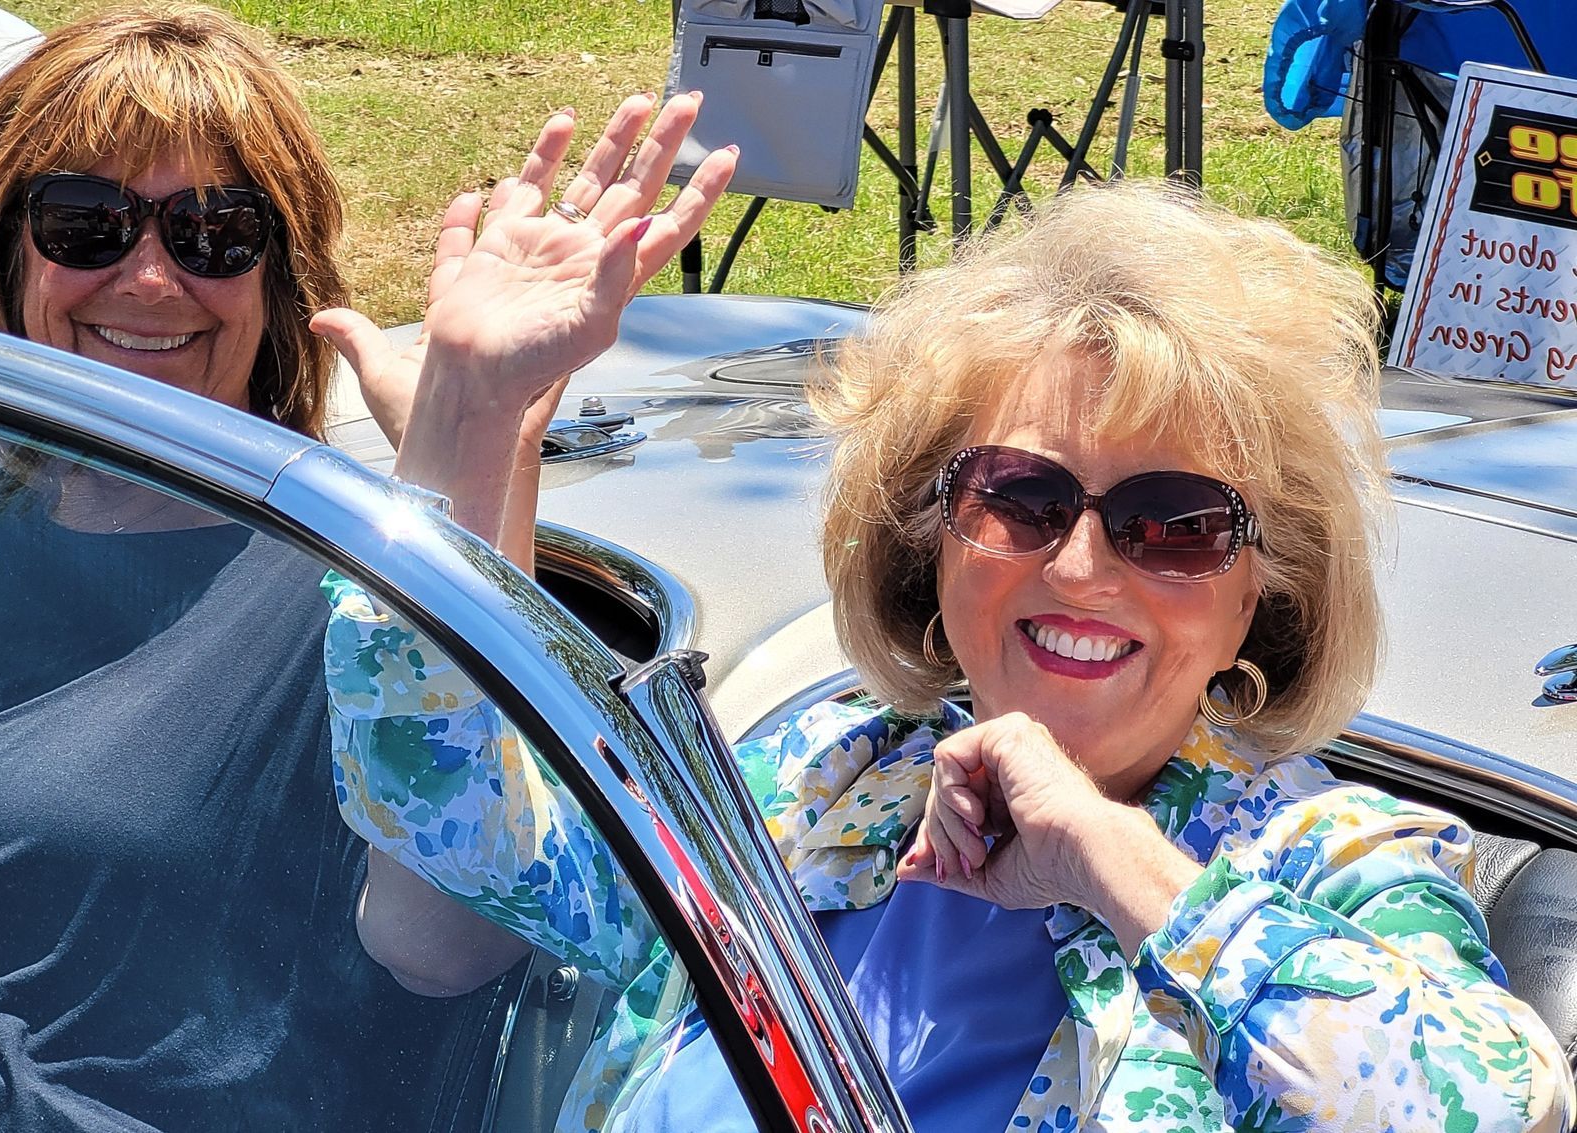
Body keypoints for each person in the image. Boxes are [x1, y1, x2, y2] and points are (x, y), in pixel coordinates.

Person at [0, 3, 734, 1130]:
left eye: (213, 232)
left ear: (279, 278)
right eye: (87, 223)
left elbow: (450, 928)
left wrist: (475, 424)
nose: (151, 277)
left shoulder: (364, 590)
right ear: (3, 250)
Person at [323, 182, 1577, 1131]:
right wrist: (469, 421)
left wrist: (1111, 859)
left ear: (1260, 594)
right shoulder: (822, 772)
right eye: (1021, 496)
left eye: (1175, 524)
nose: (1083, 567)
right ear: (937, 542)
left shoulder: (1334, 867)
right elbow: (467, 832)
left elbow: (1482, 1104)